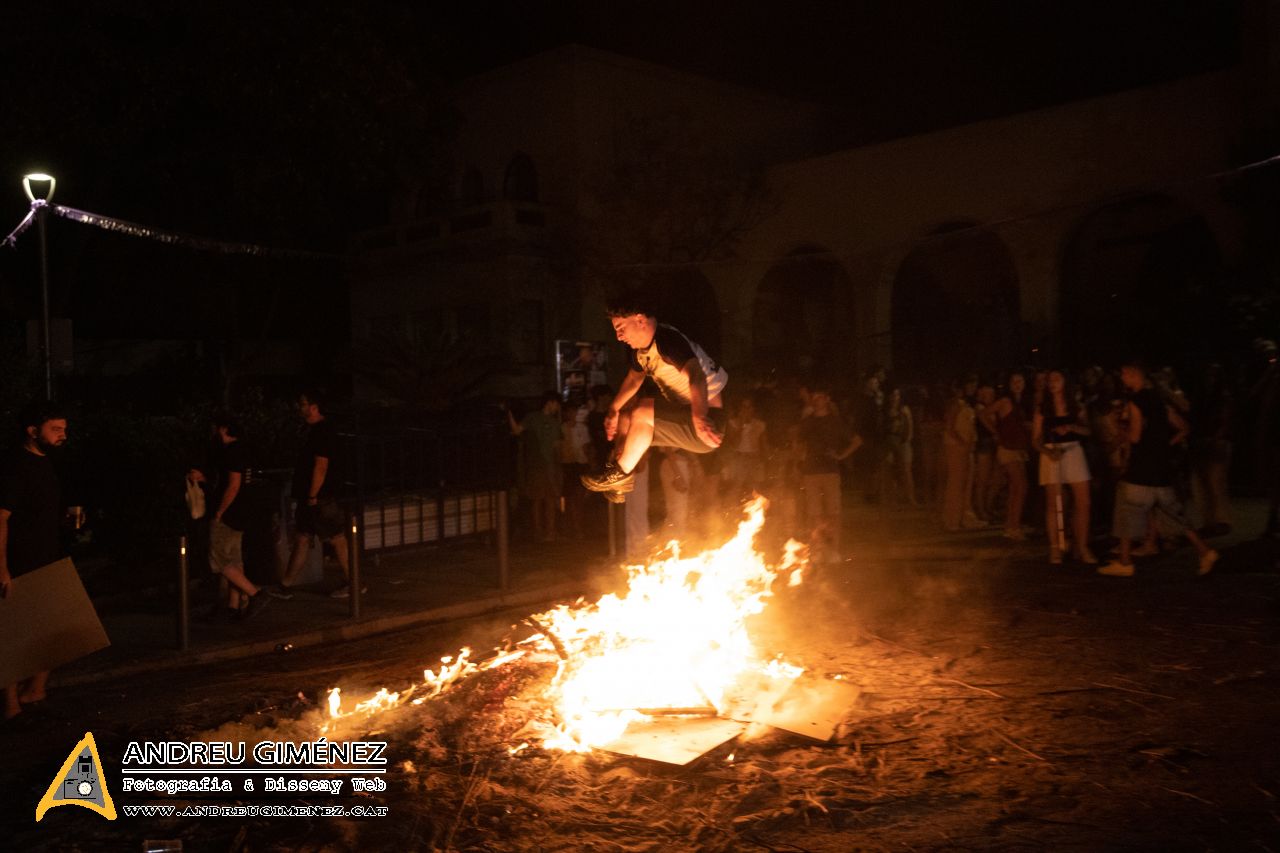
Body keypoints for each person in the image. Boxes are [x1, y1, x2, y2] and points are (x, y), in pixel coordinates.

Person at [581, 292, 727, 503]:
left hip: (709, 423)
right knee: (627, 416)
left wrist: (700, 417)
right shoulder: (640, 353)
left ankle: (620, 473)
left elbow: (696, 375)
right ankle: (619, 473)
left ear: (640, 320)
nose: (619, 337)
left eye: (621, 329)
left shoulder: (667, 341)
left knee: (642, 410)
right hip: (686, 418)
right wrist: (613, 410)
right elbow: (633, 381)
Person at [1099, 361, 1219, 578]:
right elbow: (1184, 428)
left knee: (1127, 511)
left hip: (1141, 467)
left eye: (1124, 374)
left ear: (1134, 375)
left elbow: (1135, 436)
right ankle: (1205, 551)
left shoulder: (1136, 401)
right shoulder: (1160, 401)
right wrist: (1165, 445)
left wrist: (1120, 434)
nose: (1122, 378)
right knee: (1173, 513)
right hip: (1161, 467)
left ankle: (1125, 562)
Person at [0, 403, 69, 720]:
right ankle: (11, 702)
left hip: (48, 556)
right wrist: (2, 566)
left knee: (53, 627)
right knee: (14, 631)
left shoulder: (47, 463)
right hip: (21, 559)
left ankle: (35, 689)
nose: (62, 436)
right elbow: (1, 518)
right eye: (55, 429)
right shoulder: (16, 465)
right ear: (32, 430)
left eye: (64, 430)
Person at [190, 414, 270, 621]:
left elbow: (233, 485)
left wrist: (219, 511)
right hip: (244, 512)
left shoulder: (231, 453)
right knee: (234, 558)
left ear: (224, 429)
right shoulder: (245, 449)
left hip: (230, 513)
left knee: (218, 558)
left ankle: (255, 594)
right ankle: (233, 606)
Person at [282, 388, 356, 597]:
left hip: (320, 497)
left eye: (303, 404)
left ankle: (355, 583)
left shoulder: (322, 432)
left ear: (314, 407)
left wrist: (313, 495)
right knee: (303, 537)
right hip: (311, 496)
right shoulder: (314, 431)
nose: (300, 407)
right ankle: (286, 584)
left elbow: (321, 466)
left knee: (336, 538)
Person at [1032, 369, 1095, 565]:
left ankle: (1082, 546)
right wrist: (1049, 452)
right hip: (1052, 454)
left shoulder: (1076, 405)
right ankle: (1055, 547)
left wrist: (1072, 428)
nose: (1052, 382)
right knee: (1054, 503)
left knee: (1083, 502)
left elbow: (1088, 430)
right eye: (1050, 379)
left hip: (1074, 451)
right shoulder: (1042, 408)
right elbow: (1035, 440)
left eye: (1057, 378)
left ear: (1065, 381)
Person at [799, 385, 861, 564]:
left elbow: (856, 440)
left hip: (830, 471)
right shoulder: (808, 421)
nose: (818, 400)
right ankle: (817, 550)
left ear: (827, 399)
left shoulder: (835, 421)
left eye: (821, 397)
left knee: (833, 513)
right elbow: (798, 441)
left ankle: (833, 550)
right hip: (811, 471)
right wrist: (800, 460)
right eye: (815, 397)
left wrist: (841, 456)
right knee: (815, 513)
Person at [507, 392, 563, 542]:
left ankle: (543, 532)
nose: (557, 407)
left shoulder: (538, 419)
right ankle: (545, 532)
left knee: (541, 499)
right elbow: (557, 447)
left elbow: (516, 430)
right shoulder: (539, 419)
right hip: (541, 464)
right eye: (557, 404)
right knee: (544, 499)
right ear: (550, 402)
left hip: (538, 465)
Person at [984, 371, 1031, 539]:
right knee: (1021, 486)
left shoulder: (1021, 403)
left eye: (1020, 380)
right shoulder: (1005, 401)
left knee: (1015, 488)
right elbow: (983, 414)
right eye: (1014, 381)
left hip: (1018, 448)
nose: (1018, 383)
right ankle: (1014, 527)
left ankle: (1010, 525)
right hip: (1008, 448)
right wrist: (995, 432)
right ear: (1010, 384)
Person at [880, 386, 917, 506]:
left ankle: (910, 497)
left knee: (906, 471)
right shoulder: (885, 411)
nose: (895, 398)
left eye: (897, 395)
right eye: (892, 395)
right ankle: (891, 499)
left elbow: (910, 426)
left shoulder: (904, 410)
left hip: (903, 442)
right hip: (889, 442)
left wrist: (907, 440)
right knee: (889, 470)